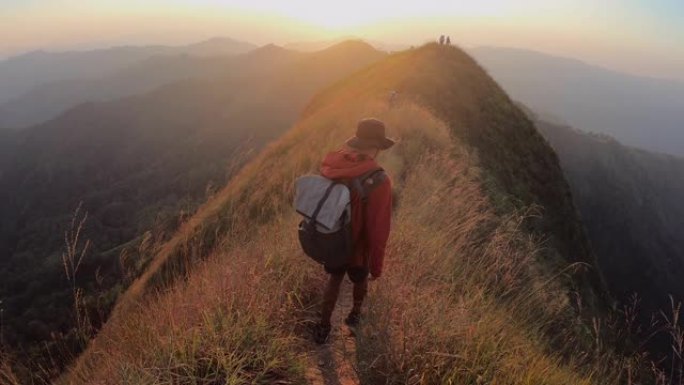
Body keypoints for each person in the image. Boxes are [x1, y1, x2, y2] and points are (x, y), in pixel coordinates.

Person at [313, 118, 395, 344]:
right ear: (377, 147)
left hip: (333, 236)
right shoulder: (379, 179)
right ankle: (355, 314)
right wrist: (377, 267)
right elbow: (379, 229)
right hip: (359, 245)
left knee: (334, 278)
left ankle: (323, 326)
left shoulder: (334, 165)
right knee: (361, 278)